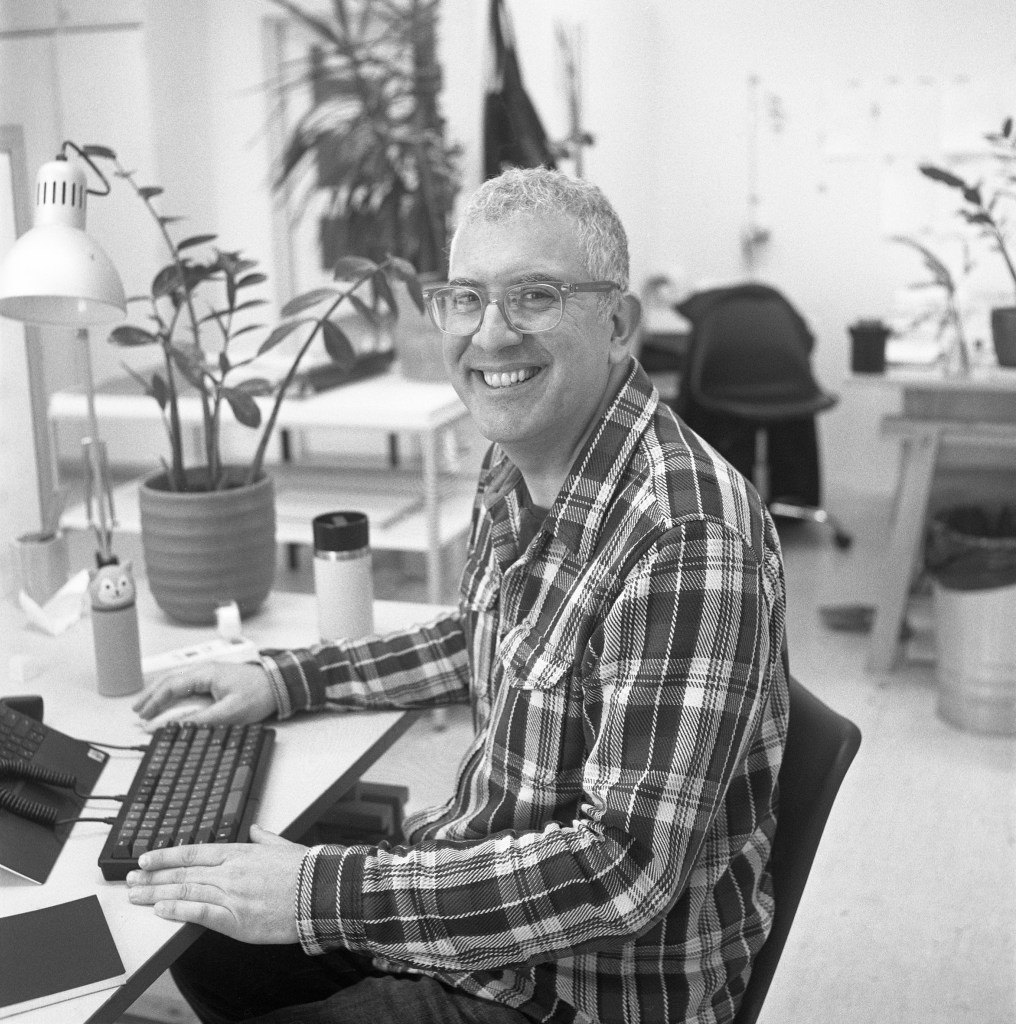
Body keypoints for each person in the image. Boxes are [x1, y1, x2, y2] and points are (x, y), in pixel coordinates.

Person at [128, 166, 789, 1024]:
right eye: (465, 298)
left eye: (535, 297)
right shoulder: (520, 462)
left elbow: (622, 871)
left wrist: (317, 890)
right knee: (210, 941)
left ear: (619, 323)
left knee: (264, 916)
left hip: (590, 992)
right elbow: (478, 635)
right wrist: (285, 679)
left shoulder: (687, 537)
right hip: (489, 904)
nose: (491, 334)